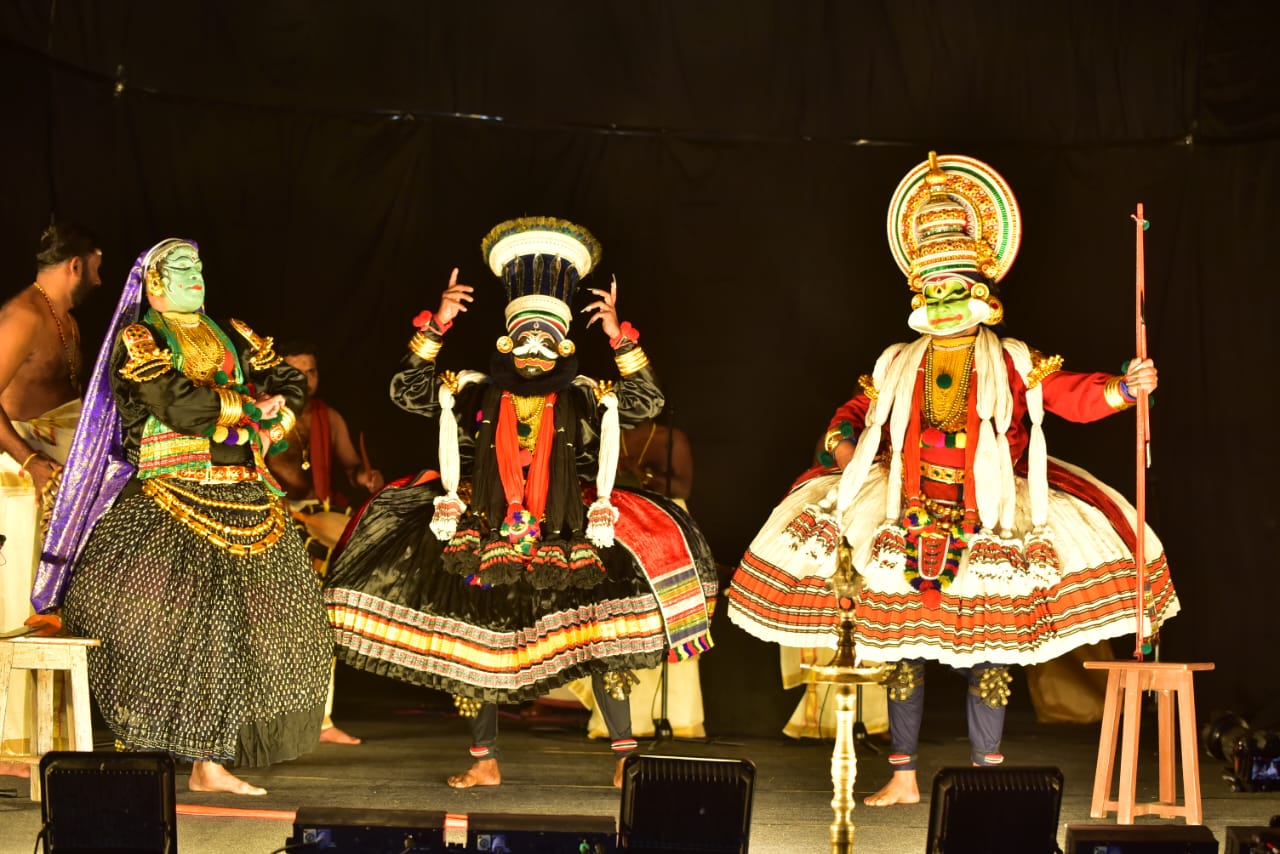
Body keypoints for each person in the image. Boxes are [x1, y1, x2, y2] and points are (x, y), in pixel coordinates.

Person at [726, 152, 1180, 806]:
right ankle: (904, 775)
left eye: (953, 290)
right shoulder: (897, 361)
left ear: (981, 294)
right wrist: (843, 442)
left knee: (989, 654)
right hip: (903, 511)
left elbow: (1069, 395)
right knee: (902, 651)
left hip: (989, 518)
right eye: (931, 292)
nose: (942, 303)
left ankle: (983, 776)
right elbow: (856, 410)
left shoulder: (1014, 360)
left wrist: (1123, 389)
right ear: (919, 297)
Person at [324, 217, 718, 789]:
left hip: (569, 530)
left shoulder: (586, 396)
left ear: (564, 346)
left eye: (546, 340)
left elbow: (645, 400)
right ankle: (484, 758)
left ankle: (625, 757)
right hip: (485, 527)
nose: (535, 349)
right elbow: (407, 392)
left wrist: (619, 336)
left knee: (600, 641)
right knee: (478, 644)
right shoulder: (474, 391)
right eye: (525, 337)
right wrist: (438, 324)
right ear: (507, 342)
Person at [37, 238, 333, 795]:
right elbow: (174, 402)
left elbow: (289, 380)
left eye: (197, 265)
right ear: (154, 282)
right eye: (180, 267)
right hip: (170, 500)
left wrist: (276, 414)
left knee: (246, 626)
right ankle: (188, 754)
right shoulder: (141, 338)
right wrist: (249, 408)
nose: (194, 274)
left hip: (245, 496)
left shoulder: (232, 334)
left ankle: (209, 761)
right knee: (181, 630)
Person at [0, 222, 102, 780]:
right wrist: (29, 459)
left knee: (51, 606)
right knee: (18, 600)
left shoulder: (68, 320)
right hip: (19, 480)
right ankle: (10, 742)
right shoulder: (24, 316)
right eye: (97, 266)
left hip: (58, 481)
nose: (100, 279)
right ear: (76, 265)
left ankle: (47, 738)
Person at [265, 339, 384, 746]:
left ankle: (323, 720)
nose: (304, 379)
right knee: (273, 624)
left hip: (318, 525)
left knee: (321, 623)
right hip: (269, 523)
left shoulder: (326, 416)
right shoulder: (259, 414)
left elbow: (350, 467)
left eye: (311, 371)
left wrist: (364, 477)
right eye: (294, 371)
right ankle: (270, 719)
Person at [563, 414, 708, 740]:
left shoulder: (671, 438)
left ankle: (677, 718)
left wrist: (644, 474)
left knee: (668, 622)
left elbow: (682, 487)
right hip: (619, 525)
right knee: (620, 622)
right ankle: (619, 721)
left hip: (664, 527)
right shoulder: (600, 432)